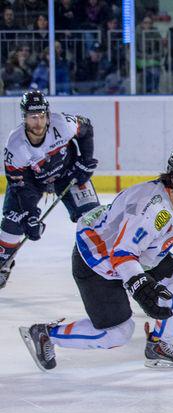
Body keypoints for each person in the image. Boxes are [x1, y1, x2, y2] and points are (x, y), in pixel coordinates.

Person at [18, 146, 173, 371]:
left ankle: (159, 345)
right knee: (118, 333)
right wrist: (140, 285)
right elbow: (123, 253)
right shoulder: (150, 206)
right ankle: (46, 334)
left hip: (142, 254)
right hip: (97, 259)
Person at [1, 91, 100, 289]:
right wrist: (30, 214)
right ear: (24, 117)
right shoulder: (15, 145)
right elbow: (19, 184)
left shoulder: (62, 124)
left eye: (41, 115)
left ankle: (103, 259)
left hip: (68, 173)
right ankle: (3, 263)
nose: (38, 122)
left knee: (94, 218)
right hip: (32, 182)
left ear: (47, 114)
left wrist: (85, 161)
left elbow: (86, 128)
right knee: (13, 221)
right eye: (33, 117)